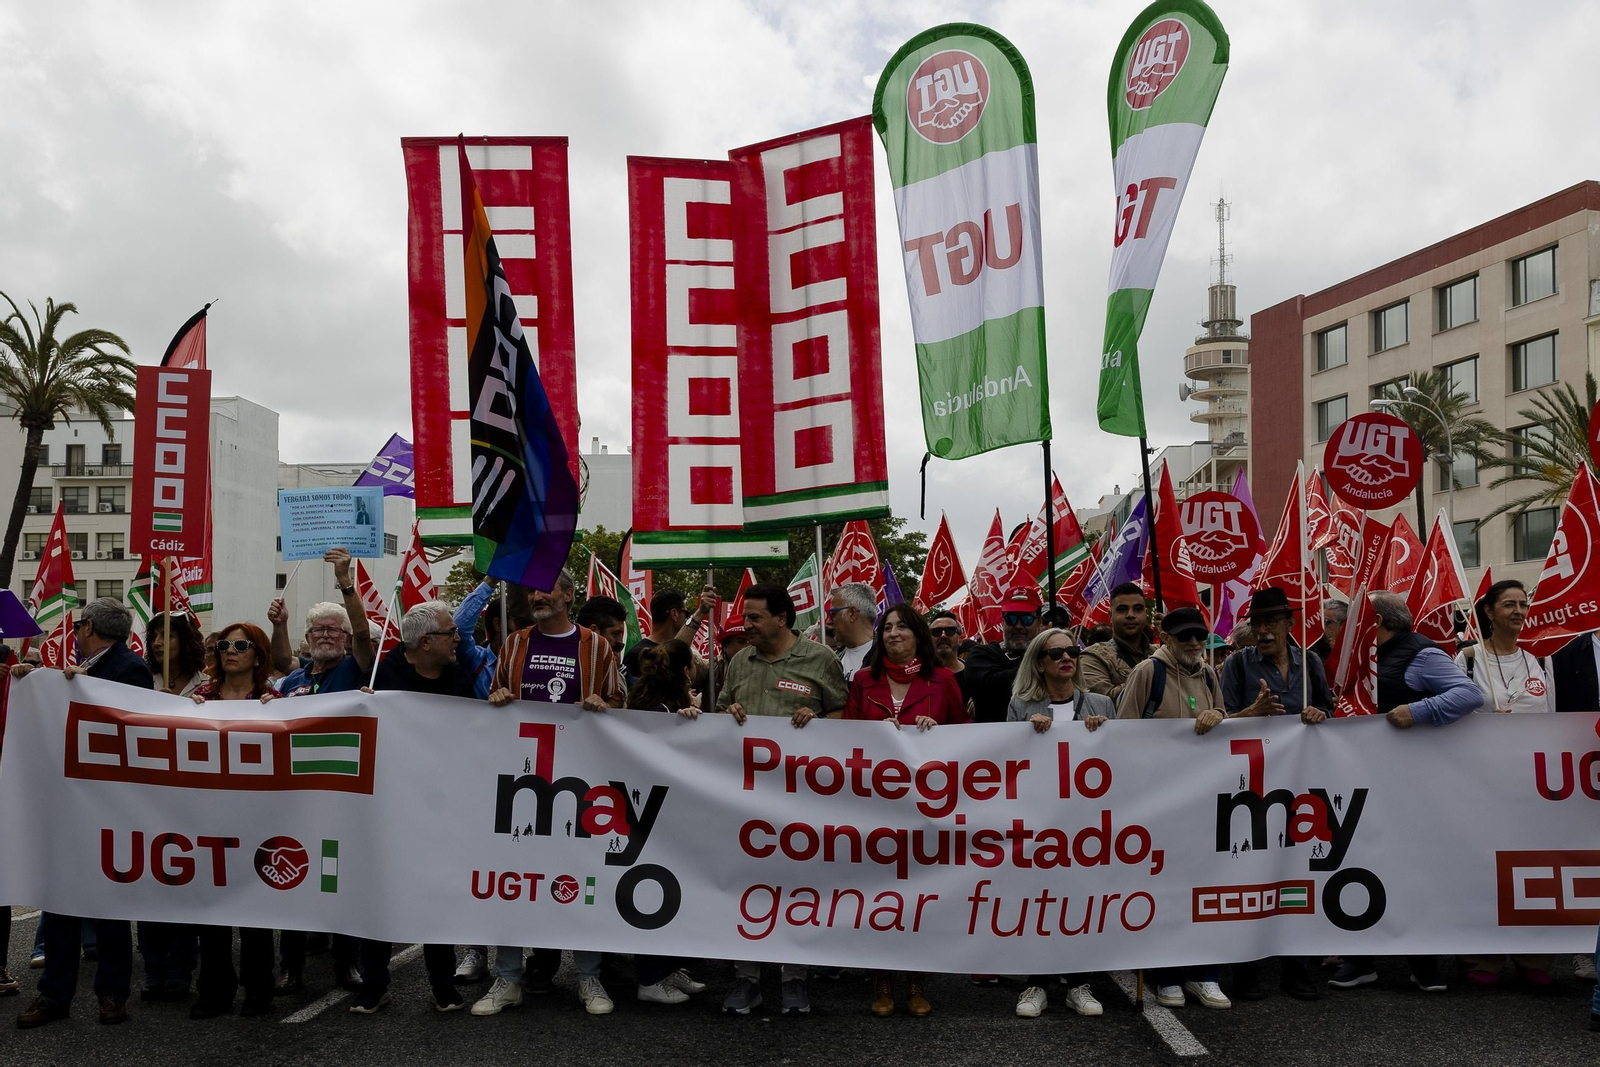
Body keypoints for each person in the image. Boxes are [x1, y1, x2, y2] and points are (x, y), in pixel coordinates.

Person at [481, 569, 624, 1017]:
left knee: (582, 877)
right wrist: (499, 695)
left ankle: (588, 976)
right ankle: (507, 978)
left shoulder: (595, 646)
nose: (537, 595)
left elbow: (620, 701)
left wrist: (606, 705)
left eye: (547, 588)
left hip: (579, 783)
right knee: (513, 878)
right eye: (532, 589)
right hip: (523, 782)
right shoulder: (515, 643)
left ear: (568, 594)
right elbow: (494, 695)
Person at [1329, 591, 1481, 995]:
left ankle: (1423, 962)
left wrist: (1418, 712)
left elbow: (1469, 694)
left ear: (1378, 621)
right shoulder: (1359, 658)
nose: (1345, 629)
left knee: (1414, 868)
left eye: (1356, 620)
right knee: (1359, 864)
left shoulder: (1422, 655)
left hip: (1412, 784)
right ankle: (1359, 961)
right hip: (1360, 778)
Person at [13, 598, 152, 1029]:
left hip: (107, 806)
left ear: (88, 627)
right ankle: (54, 994)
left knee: (107, 905)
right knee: (60, 905)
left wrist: (77, 686)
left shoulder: (128, 668)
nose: (74, 637)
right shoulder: (78, 670)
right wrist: (32, 680)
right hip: (67, 806)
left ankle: (111, 994)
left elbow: (133, 729)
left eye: (77, 629)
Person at [717, 583, 846, 1018]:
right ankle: (746, 978)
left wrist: (821, 721)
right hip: (745, 798)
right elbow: (718, 715)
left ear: (782, 620)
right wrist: (727, 715)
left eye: (754, 618)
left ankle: (794, 977)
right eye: (746, 618)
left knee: (796, 886)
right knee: (744, 884)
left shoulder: (820, 660)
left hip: (802, 800)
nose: (745, 625)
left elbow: (844, 718)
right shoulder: (738, 661)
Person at [348, 601, 478, 1015]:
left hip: (442, 804)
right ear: (425, 642)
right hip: (386, 803)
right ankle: (375, 984)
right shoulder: (382, 675)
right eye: (449, 633)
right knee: (379, 892)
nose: (457, 639)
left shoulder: (461, 676)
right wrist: (363, 704)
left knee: (435, 892)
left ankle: (442, 984)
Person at [838, 604, 964, 1017]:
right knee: (878, 897)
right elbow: (848, 738)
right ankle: (881, 979)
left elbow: (968, 743)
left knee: (918, 898)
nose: (893, 634)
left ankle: (916, 979)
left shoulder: (942, 681)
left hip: (924, 810)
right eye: (886, 628)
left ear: (918, 637)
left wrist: (938, 735)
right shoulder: (862, 681)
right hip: (876, 807)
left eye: (902, 628)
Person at [1115, 606, 1232, 1011]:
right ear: (1166, 638)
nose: (1195, 643)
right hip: (1158, 801)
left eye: (1199, 636)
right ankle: (1166, 975)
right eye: (1185, 637)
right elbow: (1123, 732)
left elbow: (1224, 723)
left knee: (1205, 886)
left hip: (1202, 799)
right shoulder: (1149, 672)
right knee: (1164, 890)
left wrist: (1219, 714)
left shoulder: (1210, 672)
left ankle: (1204, 974)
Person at [268, 551, 373, 996]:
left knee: (340, 883)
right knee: (292, 882)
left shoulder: (356, 670)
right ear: (307, 639)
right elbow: (279, 661)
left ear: (346, 640)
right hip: (293, 800)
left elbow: (366, 631)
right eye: (318, 630)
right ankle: (290, 967)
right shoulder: (292, 682)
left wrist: (345, 583)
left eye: (334, 630)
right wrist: (279, 625)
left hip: (342, 799)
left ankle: (346, 963)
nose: (326, 635)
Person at [1006, 628, 1112, 1019]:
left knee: (1081, 899)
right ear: (1040, 663)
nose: (1067, 658)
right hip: (1040, 822)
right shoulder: (1021, 705)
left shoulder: (1101, 702)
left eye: (1072, 652)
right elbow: (1007, 763)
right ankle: (1036, 982)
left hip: (1086, 823)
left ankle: (1078, 983)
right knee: (1039, 900)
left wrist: (1105, 735)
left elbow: (1120, 757)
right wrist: (1024, 735)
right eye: (1056, 654)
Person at [185, 623, 282, 1019]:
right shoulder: (199, 699)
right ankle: (214, 989)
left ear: (257, 655)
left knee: (255, 908)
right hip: (209, 816)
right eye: (224, 645)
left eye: (240, 645)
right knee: (213, 909)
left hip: (258, 817)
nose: (230, 651)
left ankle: (259, 989)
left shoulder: (272, 700)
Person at [621, 639, 709, 1006]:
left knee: (673, 892)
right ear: (684, 672)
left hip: (660, 812)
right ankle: (650, 977)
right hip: (656, 815)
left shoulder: (660, 704)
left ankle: (668, 968)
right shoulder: (661, 711)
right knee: (657, 895)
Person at [135, 610, 206, 1001]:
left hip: (193, 802)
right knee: (150, 888)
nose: (160, 643)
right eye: (154, 636)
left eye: (169, 635)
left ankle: (181, 969)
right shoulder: (141, 680)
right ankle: (153, 969)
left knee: (184, 887)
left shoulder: (207, 683)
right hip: (148, 799)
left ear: (185, 639)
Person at [1221, 588, 1334, 723]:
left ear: (1289, 624)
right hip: (1257, 744)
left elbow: (1328, 710)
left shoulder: (1310, 661)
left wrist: (1319, 713)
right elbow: (1224, 721)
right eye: (1256, 624)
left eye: (1270, 622)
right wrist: (1251, 712)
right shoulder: (1237, 663)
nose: (1262, 630)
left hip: (1304, 744)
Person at [1457, 580, 1553, 716]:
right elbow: (1456, 714)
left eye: (1523, 605)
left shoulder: (1540, 656)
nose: (1518, 611)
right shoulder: (1469, 658)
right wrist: (1488, 721)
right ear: (1489, 612)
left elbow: (1551, 710)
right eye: (1509, 605)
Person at [963, 586, 1048, 723]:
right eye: (1011, 619)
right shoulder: (982, 654)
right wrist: (1042, 662)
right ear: (1002, 622)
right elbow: (990, 687)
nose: (1019, 626)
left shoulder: (1050, 654)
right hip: (997, 741)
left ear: (1040, 622)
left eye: (1026, 619)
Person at [1079, 583, 1154, 702]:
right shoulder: (1093, 657)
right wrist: (1153, 676)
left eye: (1138, 609)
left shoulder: (1161, 652)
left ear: (1146, 613)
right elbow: (1103, 703)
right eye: (1122, 609)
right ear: (1110, 615)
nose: (1131, 615)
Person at [621, 587, 713, 681]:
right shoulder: (636, 656)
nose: (686, 619)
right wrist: (700, 613)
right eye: (686, 613)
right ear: (674, 614)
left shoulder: (635, 654)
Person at [146, 611, 206, 696]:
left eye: (167, 636)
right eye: (153, 637)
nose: (156, 643)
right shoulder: (143, 682)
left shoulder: (208, 685)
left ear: (185, 641)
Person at [828, 582, 878, 682]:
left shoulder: (887, 657)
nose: (829, 621)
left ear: (852, 614)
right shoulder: (833, 659)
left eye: (833, 614)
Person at [1310, 600, 1347, 682]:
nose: (1320, 627)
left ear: (1343, 625)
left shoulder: (1353, 654)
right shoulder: (1309, 654)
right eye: (1316, 621)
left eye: (1325, 622)